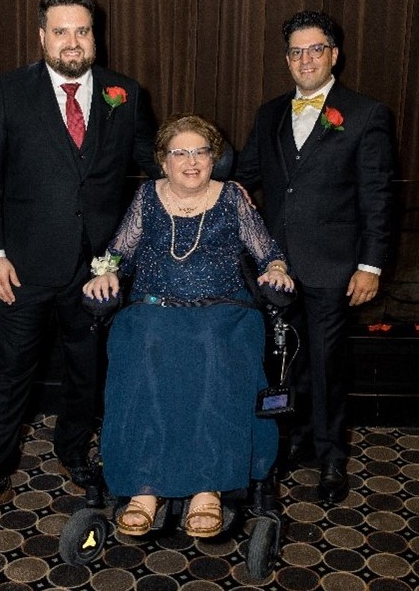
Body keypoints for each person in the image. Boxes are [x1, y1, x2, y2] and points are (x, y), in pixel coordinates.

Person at [0, 0, 162, 529]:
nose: (73, 42)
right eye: (61, 31)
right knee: (12, 375)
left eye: (83, 30)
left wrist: (200, 156)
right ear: (42, 36)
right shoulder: (8, 91)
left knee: (87, 371)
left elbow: (152, 156)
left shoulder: (124, 91)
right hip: (22, 270)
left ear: (94, 35)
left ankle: (74, 451)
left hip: (97, 271)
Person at [83, 113, 294, 537]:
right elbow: (117, 252)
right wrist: (106, 271)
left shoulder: (233, 198)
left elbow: (267, 252)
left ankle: (207, 486)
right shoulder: (146, 197)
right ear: (163, 161)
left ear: (214, 158)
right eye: (180, 152)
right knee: (142, 340)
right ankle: (144, 486)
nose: (191, 161)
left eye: (201, 151)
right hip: (153, 308)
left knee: (213, 343)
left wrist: (276, 269)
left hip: (223, 310)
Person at [236, 10, 393, 503]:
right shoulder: (269, 114)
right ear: (287, 59)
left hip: (333, 268)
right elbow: (244, 177)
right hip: (276, 268)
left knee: (327, 364)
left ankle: (331, 459)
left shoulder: (366, 114)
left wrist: (370, 265)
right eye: (296, 52)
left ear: (333, 55)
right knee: (285, 359)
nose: (306, 59)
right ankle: (297, 439)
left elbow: (377, 197)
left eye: (315, 49)